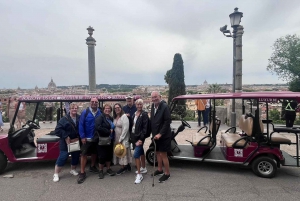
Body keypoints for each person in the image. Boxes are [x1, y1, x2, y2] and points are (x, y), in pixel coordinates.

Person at [53, 103, 81, 182]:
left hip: (75, 140)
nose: (74, 110)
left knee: (75, 156)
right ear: (69, 109)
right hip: (66, 141)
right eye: (73, 108)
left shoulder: (79, 117)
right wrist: (65, 136)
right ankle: (56, 173)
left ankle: (73, 169)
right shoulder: (64, 119)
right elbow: (57, 130)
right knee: (63, 156)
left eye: (76, 108)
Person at [77, 98, 102, 184]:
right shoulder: (85, 112)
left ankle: (92, 166)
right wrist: (82, 136)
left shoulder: (100, 112)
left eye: (96, 102)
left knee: (94, 153)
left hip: (96, 137)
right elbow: (81, 124)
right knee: (84, 154)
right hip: (86, 137)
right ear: (90, 103)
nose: (94, 103)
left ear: (97, 103)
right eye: (92, 102)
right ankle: (82, 172)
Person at [150, 91, 172, 183]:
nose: (154, 99)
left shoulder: (164, 106)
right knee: (158, 152)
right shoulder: (153, 106)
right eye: (153, 97)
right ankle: (159, 170)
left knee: (163, 155)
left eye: (156, 97)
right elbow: (153, 119)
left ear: (160, 96)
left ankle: (167, 173)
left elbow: (167, 121)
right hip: (156, 135)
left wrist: (160, 134)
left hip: (164, 135)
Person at [95, 104, 116, 179]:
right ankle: (100, 170)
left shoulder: (110, 118)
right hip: (102, 139)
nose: (108, 110)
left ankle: (108, 169)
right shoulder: (100, 117)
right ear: (103, 110)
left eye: (109, 109)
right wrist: (108, 131)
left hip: (110, 139)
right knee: (102, 156)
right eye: (106, 108)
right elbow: (98, 127)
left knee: (109, 155)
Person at [132, 99, 149, 184]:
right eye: (138, 104)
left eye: (140, 104)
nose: (139, 106)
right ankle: (144, 168)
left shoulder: (144, 114)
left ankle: (139, 174)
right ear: (136, 105)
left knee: (136, 155)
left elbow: (145, 129)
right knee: (141, 151)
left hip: (140, 137)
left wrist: (141, 139)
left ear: (143, 105)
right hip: (135, 136)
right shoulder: (135, 114)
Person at [113, 103, 132, 175]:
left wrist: (120, 139)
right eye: (115, 108)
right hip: (116, 137)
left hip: (122, 138)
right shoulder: (115, 117)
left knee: (123, 153)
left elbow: (125, 129)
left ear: (121, 108)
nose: (117, 109)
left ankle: (123, 167)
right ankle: (126, 166)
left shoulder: (124, 117)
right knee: (120, 152)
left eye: (118, 107)